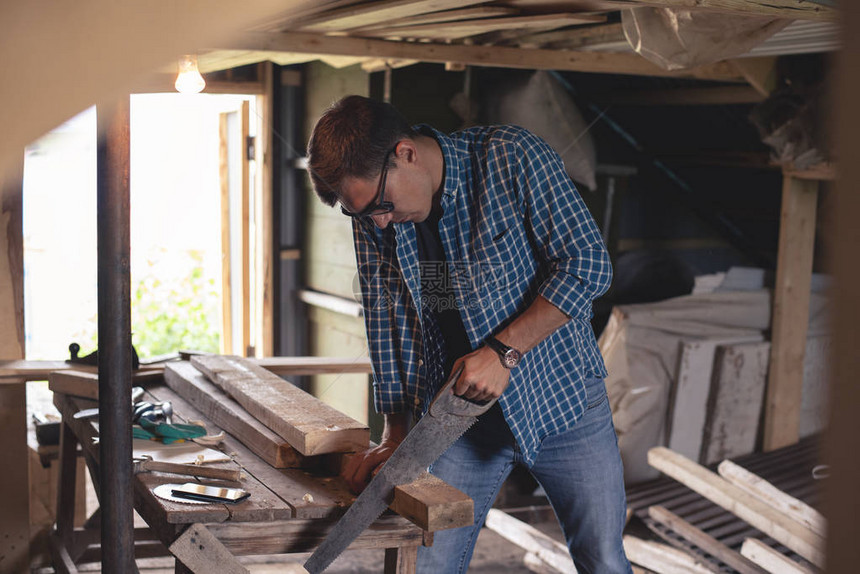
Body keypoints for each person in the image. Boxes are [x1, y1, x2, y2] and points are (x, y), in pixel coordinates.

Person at [307, 95, 631, 574]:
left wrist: (503, 352)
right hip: (457, 415)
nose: (377, 222)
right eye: (361, 215)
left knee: (602, 560)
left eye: (380, 206)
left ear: (406, 154)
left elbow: (587, 264)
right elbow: (387, 316)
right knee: (429, 566)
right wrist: (396, 433)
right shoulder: (375, 216)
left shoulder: (511, 157)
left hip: (562, 401)